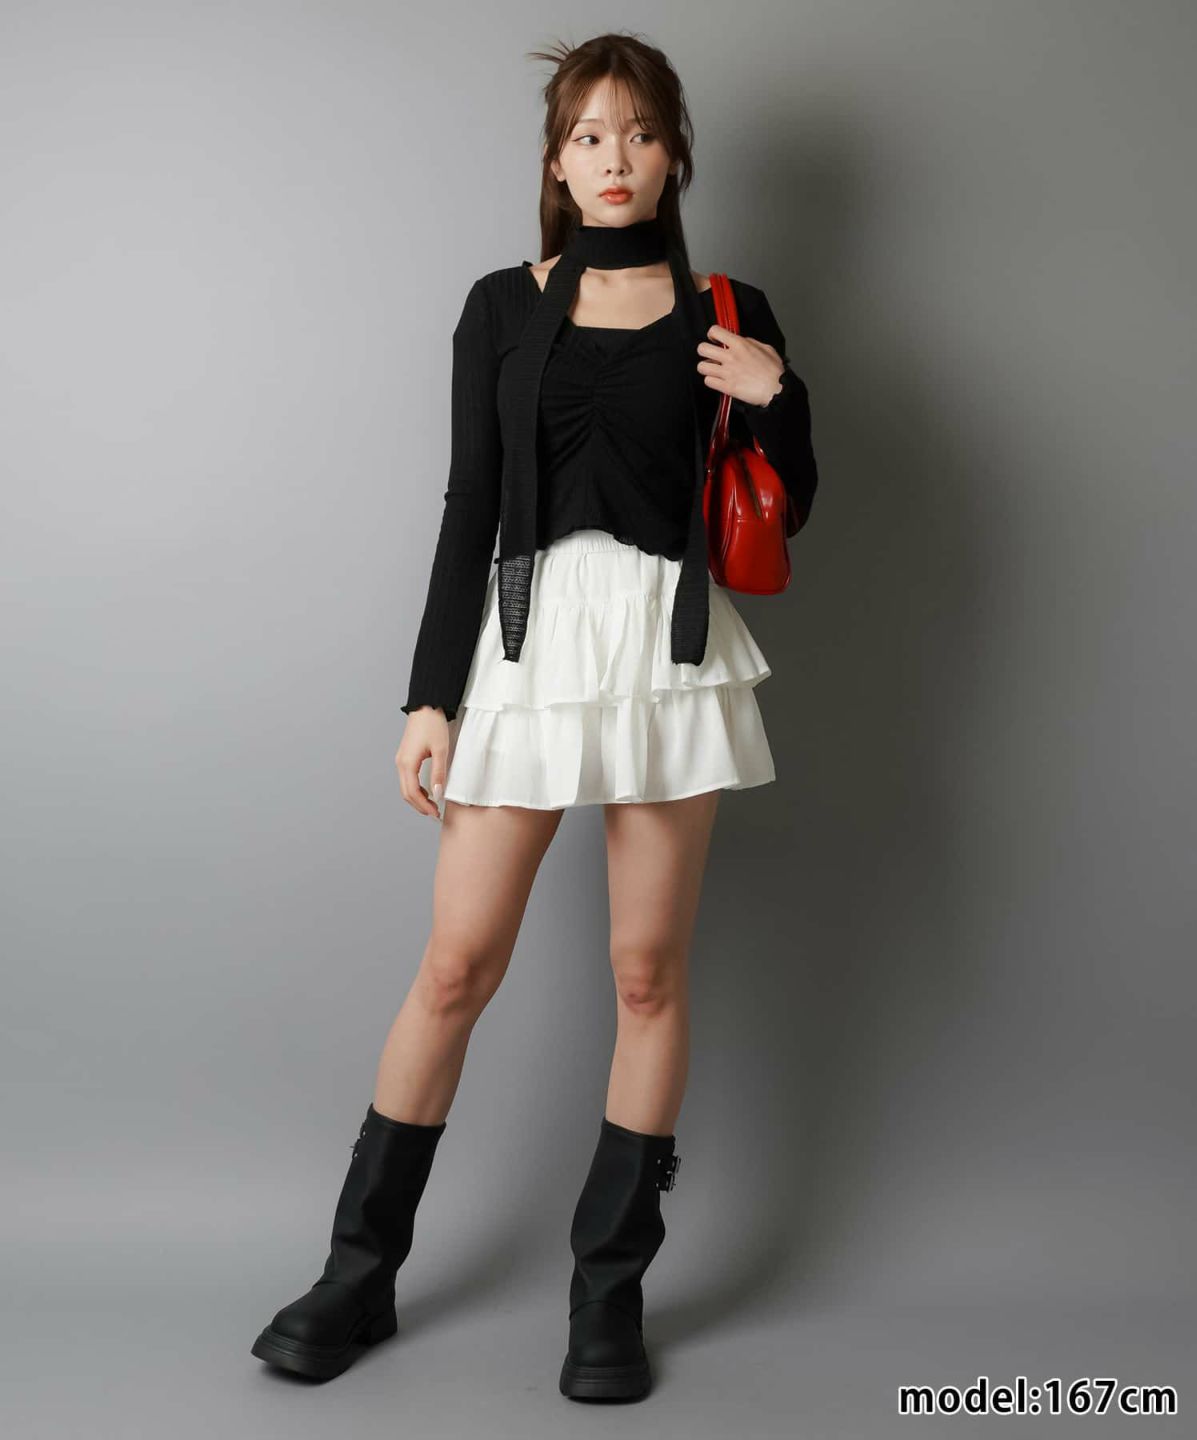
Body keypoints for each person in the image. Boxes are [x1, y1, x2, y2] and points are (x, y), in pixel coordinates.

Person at [250, 31, 819, 1400]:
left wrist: (780, 397)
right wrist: (428, 695)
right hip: (528, 648)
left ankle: (607, 1295)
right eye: (587, 135)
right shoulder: (502, 306)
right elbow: (469, 506)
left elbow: (780, 508)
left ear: (674, 153)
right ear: (557, 162)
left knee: (646, 973)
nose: (614, 158)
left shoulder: (728, 308)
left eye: (639, 132)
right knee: (456, 966)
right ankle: (358, 1273)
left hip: (670, 648)